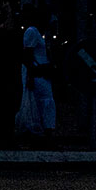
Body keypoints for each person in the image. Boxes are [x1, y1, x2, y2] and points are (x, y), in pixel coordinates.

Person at [17, 15, 59, 143]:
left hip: (40, 72)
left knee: (42, 102)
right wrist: (30, 75)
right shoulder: (33, 32)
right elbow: (28, 55)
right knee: (45, 101)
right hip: (38, 73)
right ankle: (46, 132)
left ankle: (44, 132)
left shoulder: (40, 34)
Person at [0, 3, 21, 145]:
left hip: (4, 71)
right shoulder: (7, 33)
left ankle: (3, 135)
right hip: (9, 71)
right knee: (8, 105)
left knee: (5, 105)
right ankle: (6, 135)